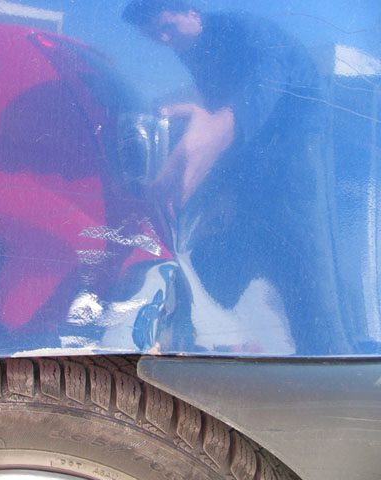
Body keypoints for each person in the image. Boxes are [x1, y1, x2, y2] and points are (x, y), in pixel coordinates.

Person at [124, 0, 336, 353]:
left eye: (167, 27)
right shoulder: (193, 51)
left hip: (294, 160)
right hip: (246, 171)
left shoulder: (242, 29)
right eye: (154, 36)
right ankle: (207, 340)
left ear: (193, 13)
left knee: (304, 267)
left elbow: (273, 68)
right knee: (212, 260)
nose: (163, 40)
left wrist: (224, 124)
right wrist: (225, 189)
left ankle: (325, 359)